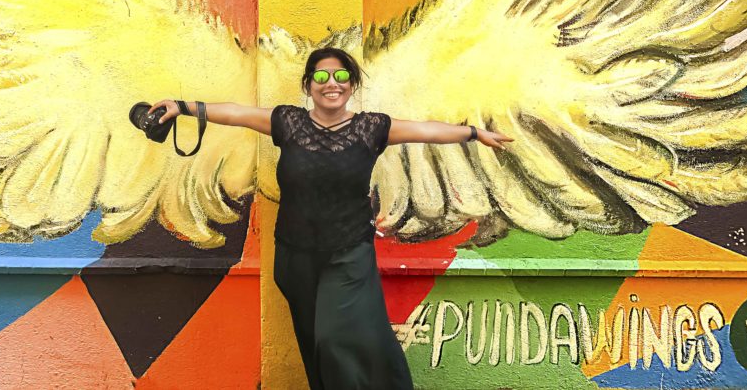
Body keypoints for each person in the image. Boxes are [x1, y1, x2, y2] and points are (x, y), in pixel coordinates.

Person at [148, 47, 513, 389]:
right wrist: (183, 107)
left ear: (352, 85)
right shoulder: (288, 123)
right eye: (321, 77)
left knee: (334, 338)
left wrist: (475, 133)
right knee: (314, 344)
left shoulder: (372, 128)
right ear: (308, 86)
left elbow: (426, 129)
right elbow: (237, 113)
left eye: (341, 76)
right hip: (295, 255)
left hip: (348, 253)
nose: (331, 84)